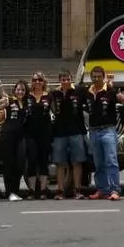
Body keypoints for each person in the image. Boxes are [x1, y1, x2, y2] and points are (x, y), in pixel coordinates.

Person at [83, 65, 124, 201]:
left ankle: (115, 190)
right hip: (93, 132)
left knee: (111, 161)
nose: (96, 79)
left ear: (103, 77)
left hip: (108, 131)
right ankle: (102, 190)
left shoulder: (110, 90)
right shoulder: (88, 92)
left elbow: (121, 98)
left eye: (99, 76)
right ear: (91, 77)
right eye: (94, 76)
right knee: (98, 164)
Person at [50, 69, 87, 200]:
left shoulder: (79, 91)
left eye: (67, 79)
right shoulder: (54, 93)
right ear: (59, 80)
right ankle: (60, 191)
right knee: (60, 163)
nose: (65, 81)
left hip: (76, 132)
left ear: (71, 79)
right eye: (63, 79)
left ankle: (78, 190)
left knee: (77, 162)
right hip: (59, 133)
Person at [0, 80, 28, 201]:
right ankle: (9, 192)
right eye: (18, 89)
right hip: (7, 136)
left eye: (22, 89)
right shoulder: (9, 100)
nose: (20, 92)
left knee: (19, 164)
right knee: (8, 164)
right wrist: (0, 103)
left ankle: (15, 191)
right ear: (14, 90)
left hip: (20, 137)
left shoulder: (27, 103)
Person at [24, 72, 53, 199]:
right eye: (35, 80)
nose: (37, 82)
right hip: (30, 133)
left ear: (44, 82)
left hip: (45, 133)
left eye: (40, 80)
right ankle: (31, 190)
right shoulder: (27, 96)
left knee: (43, 161)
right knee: (31, 161)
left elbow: (56, 111)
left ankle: (43, 190)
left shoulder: (49, 96)